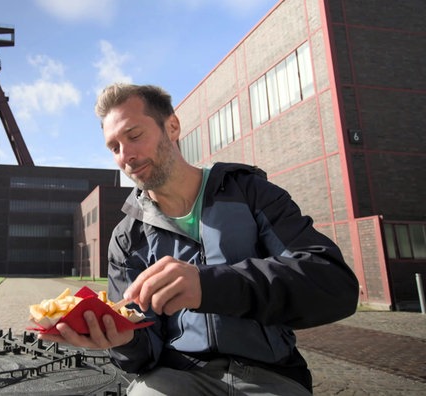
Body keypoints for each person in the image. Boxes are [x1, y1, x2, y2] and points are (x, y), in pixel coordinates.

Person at [38, 83, 359, 395]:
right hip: (176, 377)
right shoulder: (126, 237)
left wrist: (210, 285)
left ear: (172, 127)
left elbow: (333, 285)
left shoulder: (251, 194)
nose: (126, 155)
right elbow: (142, 354)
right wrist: (122, 340)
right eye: (114, 147)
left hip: (271, 374)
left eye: (134, 135)